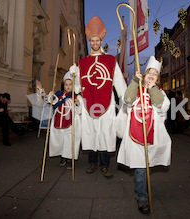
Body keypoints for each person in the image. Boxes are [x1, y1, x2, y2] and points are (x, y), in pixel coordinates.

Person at [69, 16, 127, 178]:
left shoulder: (109, 60)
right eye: (92, 41)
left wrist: (126, 98)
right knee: (91, 133)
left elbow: (118, 81)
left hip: (106, 104)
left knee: (105, 134)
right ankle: (92, 163)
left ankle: (105, 165)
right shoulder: (83, 62)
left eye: (97, 40)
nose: (95, 43)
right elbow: (77, 87)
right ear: (90, 41)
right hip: (88, 103)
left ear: (101, 40)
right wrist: (73, 76)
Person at [117, 56, 172, 214]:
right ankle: (141, 197)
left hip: (153, 135)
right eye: (149, 73)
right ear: (144, 74)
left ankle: (144, 191)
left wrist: (153, 88)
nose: (151, 76)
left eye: (155, 74)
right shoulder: (136, 89)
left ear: (157, 79)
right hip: (136, 135)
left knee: (147, 166)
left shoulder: (160, 92)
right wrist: (135, 82)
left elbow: (162, 106)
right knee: (140, 168)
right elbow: (127, 100)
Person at [47, 72, 82, 169]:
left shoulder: (76, 96)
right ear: (64, 85)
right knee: (60, 140)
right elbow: (52, 102)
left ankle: (70, 159)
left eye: (70, 85)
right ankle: (62, 157)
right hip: (58, 120)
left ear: (73, 85)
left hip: (71, 122)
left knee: (70, 141)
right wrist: (51, 96)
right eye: (66, 85)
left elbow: (80, 110)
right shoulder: (58, 94)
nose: (68, 86)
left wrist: (78, 104)